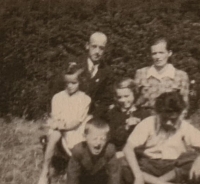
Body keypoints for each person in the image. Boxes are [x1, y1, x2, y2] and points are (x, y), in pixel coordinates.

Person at [124, 91, 200, 184]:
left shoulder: (184, 126)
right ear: (158, 113)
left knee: (194, 160)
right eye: (164, 118)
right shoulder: (148, 123)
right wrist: (138, 175)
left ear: (180, 114)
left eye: (173, 119)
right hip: (149, 165)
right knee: (123, 165)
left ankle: (156, 182)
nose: (168, 123)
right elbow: (128, 148)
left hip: (172, 167)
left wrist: (197, 162)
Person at [38, 64, 91, 184]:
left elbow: (77, 122)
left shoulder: (85, 99)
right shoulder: (58, 97)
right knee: (55, 133)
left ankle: (74, 170)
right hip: (59, 129)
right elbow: (56, 117)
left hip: (75, 130)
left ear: (80, 82)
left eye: (74, 83)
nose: (70, 86)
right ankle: (45, 171)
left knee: (66, 137)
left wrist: (63, 126)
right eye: (67, 83)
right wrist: (58, 124)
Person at [134, 37, 189, 114]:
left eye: (161, 53)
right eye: (154, 53)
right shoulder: (141, 73)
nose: (157, 57)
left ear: (169, 53)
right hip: (145, 118)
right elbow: (134, 101)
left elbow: (184, 106)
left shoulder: (181, 76)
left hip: (169, 119)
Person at [67, 117, 121, 184]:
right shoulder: (78, 150)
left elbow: (114, 175)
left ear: (107, 139)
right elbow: (72, 176)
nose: (98, 143)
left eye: (102, 139)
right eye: (95, 139)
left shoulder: (109, 150)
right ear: (85, 137)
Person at [104, 78, 150, 152]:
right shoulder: (113, 114)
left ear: (134, 94)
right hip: (120, 152)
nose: (123, 100)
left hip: (140, 152)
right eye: (119, 97)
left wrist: (140, 126)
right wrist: (126, 127)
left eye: (126, 96)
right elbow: (112, 139)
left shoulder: (143, 113)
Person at [77, 32, 111, 116]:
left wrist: (93, 117)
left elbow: (105, 100)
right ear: (87, 45)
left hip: (90, 116)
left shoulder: (106, 72)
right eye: (94, 46)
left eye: (101, 48)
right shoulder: (75, 65)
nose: (97, 51)